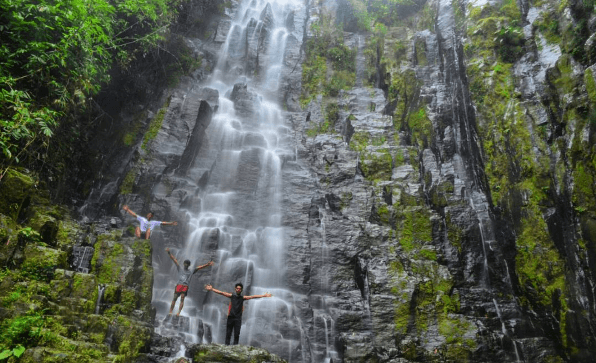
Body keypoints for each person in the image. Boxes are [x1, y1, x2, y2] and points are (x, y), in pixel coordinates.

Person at [204, 283, 272, 345]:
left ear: (241, 290)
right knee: (228, 333)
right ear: (235, 289)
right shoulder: (232, 296)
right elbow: (222, 293)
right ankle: (226, 346)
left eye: (240, 289)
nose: (238, 289)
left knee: (237, 334)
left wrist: (264, 295)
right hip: (230, 317)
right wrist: (212, 289)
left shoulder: (242, 298)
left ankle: (235, 347)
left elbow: (253, 296)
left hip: (238, 318)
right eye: (237, 288)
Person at [166, 247, 214, 317]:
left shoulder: (191, 271)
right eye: (185, 263)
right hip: (179, 285)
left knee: (182, 299)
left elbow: (199, 267)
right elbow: (174, 260)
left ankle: (178, 312)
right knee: (174, 298)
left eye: (187, 264)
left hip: (185, 286)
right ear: (184, 263)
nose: (186, 265)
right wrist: (169, 252)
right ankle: (170, 311)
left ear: (189, 265)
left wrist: (207, 264)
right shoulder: (180, 268)